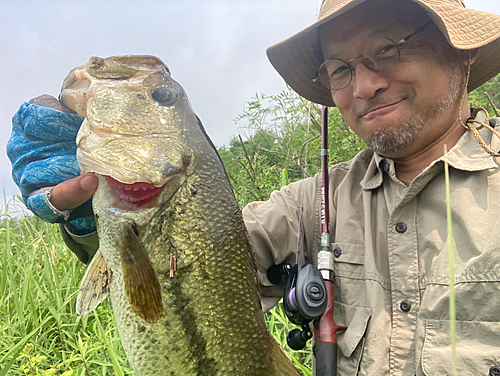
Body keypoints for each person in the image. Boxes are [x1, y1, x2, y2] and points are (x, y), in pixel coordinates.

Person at [7, 0, 500, 374]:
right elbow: (194, 259)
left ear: (463, 52)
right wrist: (87, 216)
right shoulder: (314, 204)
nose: (364, 85)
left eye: (388, 49)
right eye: (340, 69)